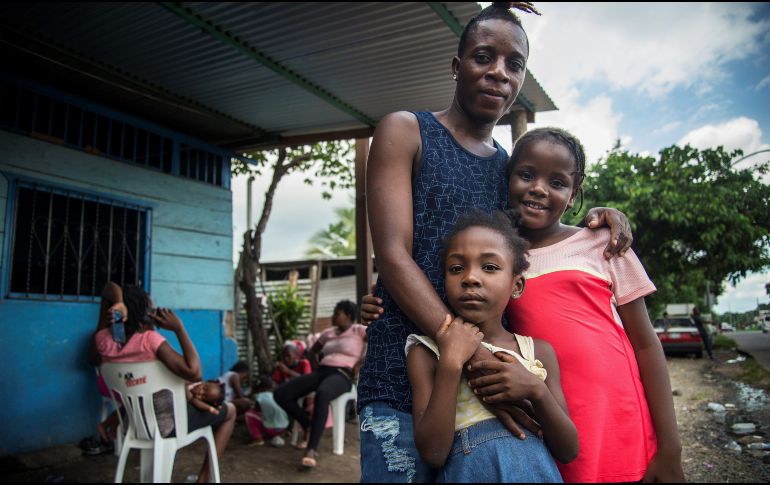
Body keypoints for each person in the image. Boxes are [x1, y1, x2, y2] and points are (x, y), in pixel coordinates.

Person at [360, 2, 633, 481]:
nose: (498, 73)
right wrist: (476, 356)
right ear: (456, 65)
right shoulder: (407, 130)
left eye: (514, 64)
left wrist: (600, 217)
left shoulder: (508, 168)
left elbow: (533, 234)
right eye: (484, 56)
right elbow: (394, 254)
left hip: (485, 395)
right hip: (403, 374)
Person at [473, 127, 683, 482]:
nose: (539, 188)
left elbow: (646, 344)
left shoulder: (605, 243)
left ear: (574, 195)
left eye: (557, 182)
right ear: (507, 181)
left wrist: (671, 449)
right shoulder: (498, 259)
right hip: (550, 420)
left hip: (619, 421)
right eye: (526, 175)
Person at [407, 210, 577, 482]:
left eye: (489, 267)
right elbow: (433, 453)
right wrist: (451, 364)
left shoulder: (538, 352)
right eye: (456, 268)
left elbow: (568, 450)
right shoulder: (426, 352)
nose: (470, 278)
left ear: (516, 285)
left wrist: (536, 389)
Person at [90, 282, 236, 483]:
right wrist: (179, 328)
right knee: (231, 412)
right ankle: (203, 480)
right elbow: (195, 373)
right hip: (168, 426)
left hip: (133, 423)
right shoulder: (149, 340)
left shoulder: (102, 342)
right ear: (143, 313)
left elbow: (107, 288)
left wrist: (118, 301)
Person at [274, 300, 367, 468]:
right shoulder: (328, 333)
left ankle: (311, 449)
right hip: (322, 372)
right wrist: (317, 367)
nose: (333, 316)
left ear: (349, 316)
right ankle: (307, 423)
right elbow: (311, 352)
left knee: (323, 393)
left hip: (342, 375)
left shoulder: (359, 330)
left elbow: (378, 344)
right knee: (281, 393)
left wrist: (358, 365)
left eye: (337, 313)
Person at [245, 375, 290, 447]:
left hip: (272, 429)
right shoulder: (275, 394)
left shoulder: (259, 396)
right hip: (284, 426)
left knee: (249, 414)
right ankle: (280, 434)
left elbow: (256, 410)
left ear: (259, 388)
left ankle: (258, 439)